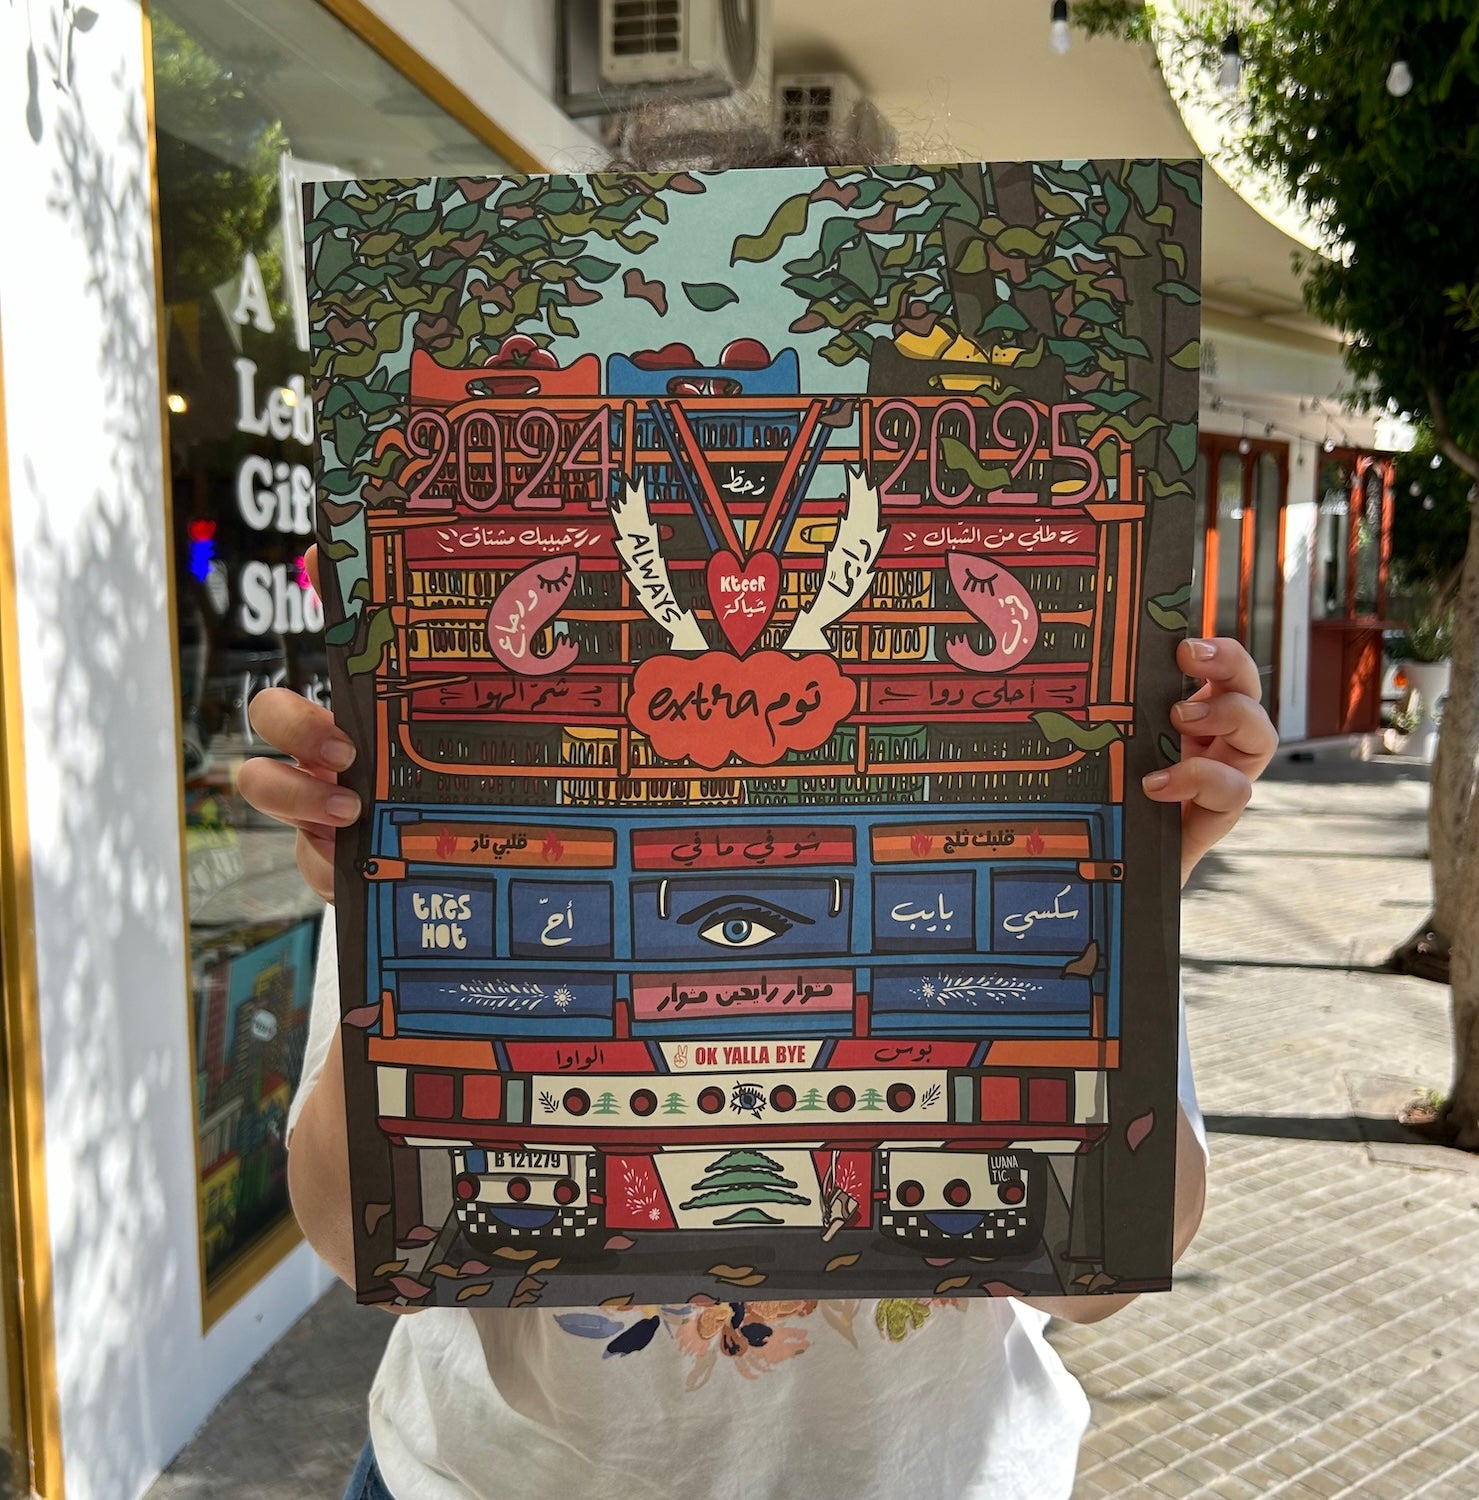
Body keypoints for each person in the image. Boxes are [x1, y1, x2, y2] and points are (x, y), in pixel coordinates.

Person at [239, 142, 1280, 1500]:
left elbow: (1110, 1268)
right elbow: (350, 1229)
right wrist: (370, 911)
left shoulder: (1062, 795)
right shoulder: (440, 764)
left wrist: (1130, 917)